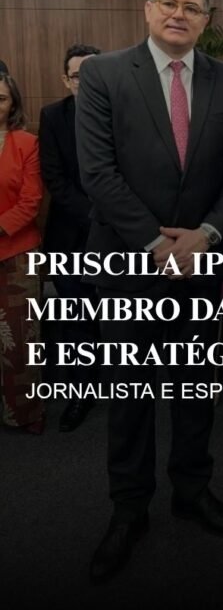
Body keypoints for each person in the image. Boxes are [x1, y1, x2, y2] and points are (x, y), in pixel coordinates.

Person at [75, 0, 223, 583]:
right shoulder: (102, 74)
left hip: (202, 265)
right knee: (129, 397)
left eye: (192, 8)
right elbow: (97, 172)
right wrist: (157, 244)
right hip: (128, 266)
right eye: (169, 4)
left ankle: (192, 490)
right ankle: (129, 509)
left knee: (196, 391)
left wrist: (205, 236)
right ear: (148, 9)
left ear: (206, 20)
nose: (179, 14)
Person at [39, 43, 101, 432]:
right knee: (77, 318)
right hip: (71, 237)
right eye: (79, 75)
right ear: (67, 80)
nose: (86, 81)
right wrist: (96, 216)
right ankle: (81, 393)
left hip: (122, 237)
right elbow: (54, 178)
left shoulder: (125, 111)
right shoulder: (53, 116)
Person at [0, 72, 44, 433]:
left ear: (12, 102)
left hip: (17, 253)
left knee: (20, 341)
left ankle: (24, 414)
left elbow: (31, 201)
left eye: (0, 98)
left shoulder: (27, 143)